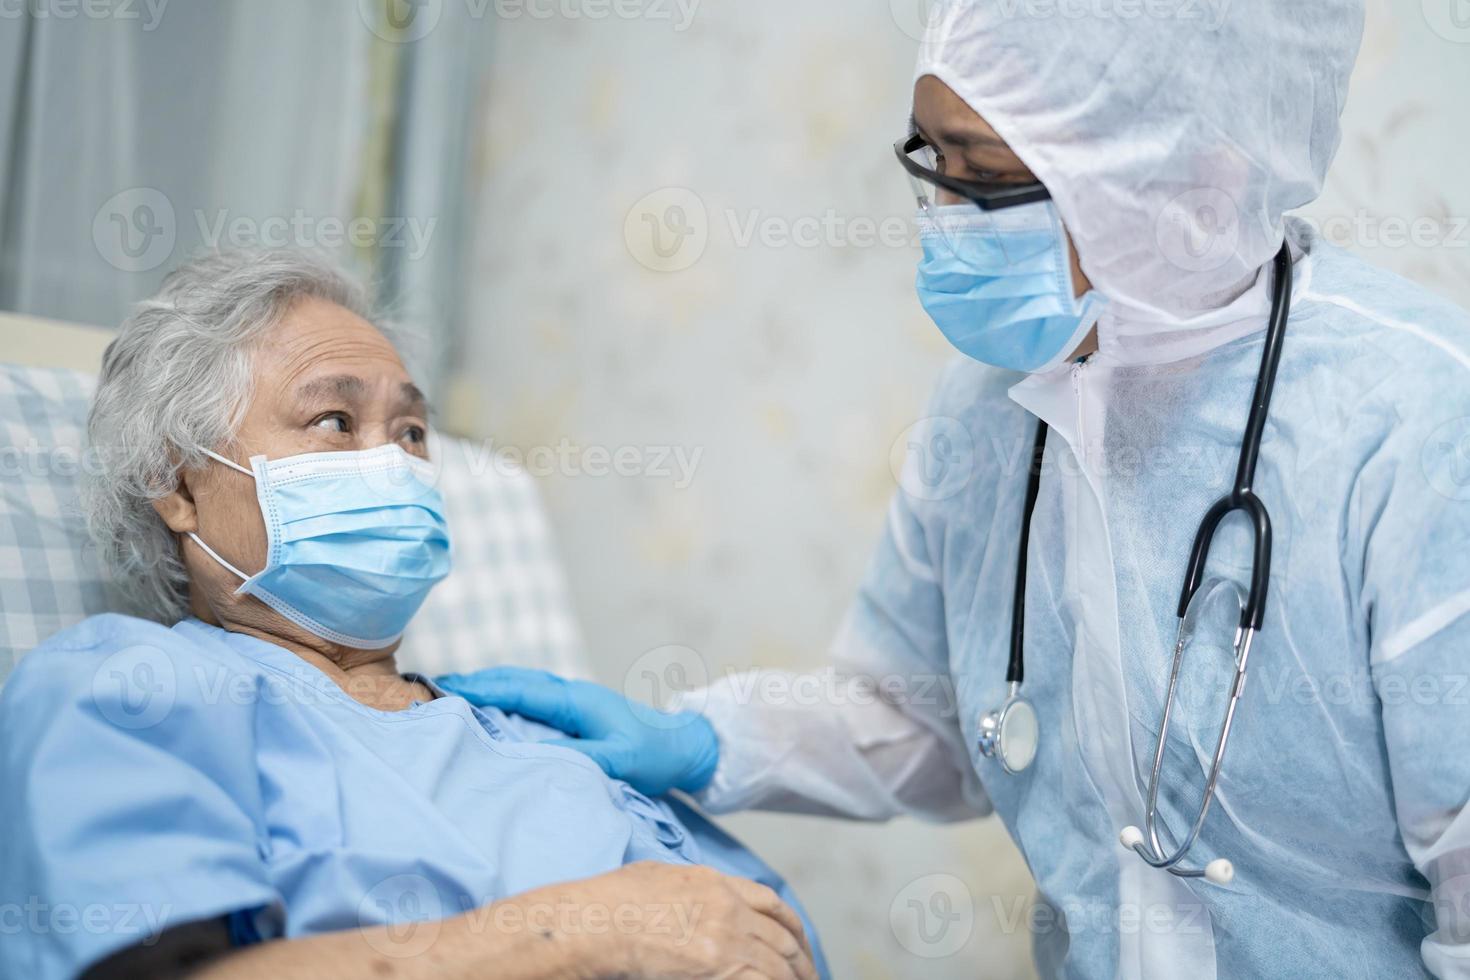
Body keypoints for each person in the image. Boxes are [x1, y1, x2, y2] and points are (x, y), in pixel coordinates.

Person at [441, 0, 1470, 976]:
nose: (945, 217)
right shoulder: (987, 409)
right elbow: (920, 713)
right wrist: (707, 741)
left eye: (986, 179)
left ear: (1194, 181)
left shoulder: (1415, 421)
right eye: (931, 161)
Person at [0, 249, 824, 980]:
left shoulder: (534, 736)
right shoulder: (130, 690)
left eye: (413, 430)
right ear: (179, 487)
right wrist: (583, 933)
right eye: (334, 420)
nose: (392, 462)